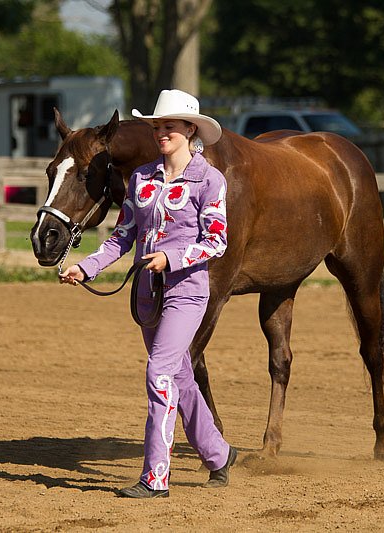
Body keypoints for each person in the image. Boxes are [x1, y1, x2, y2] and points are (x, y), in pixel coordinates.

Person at [59, 89, 237, 499]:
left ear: (190, 129)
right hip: (145, 295)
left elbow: (216, 242)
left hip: (186, 292)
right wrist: (85, 267)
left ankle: (155, 478)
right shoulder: (140, 178)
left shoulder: (209, 180)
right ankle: (219, 454)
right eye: (157, 126)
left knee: (159, 373)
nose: (161, 132)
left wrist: (169, 258)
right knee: (180, 378)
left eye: (169, 126)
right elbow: (122, 237)